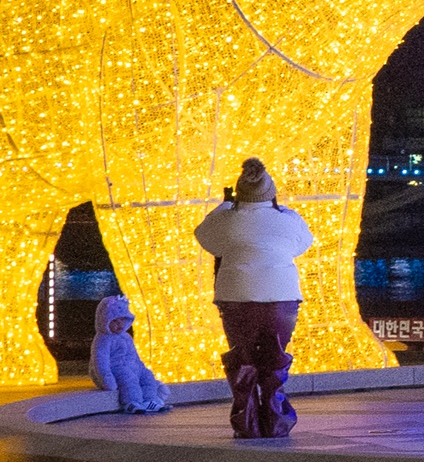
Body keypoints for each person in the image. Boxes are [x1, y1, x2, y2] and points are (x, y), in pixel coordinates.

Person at [191, 158, 316, 440]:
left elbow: (205, 238)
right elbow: (303, 244)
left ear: (238, 193)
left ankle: (247, 424)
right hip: (282, 297)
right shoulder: (288, 218)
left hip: (236, 297)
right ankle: (276, 421)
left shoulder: (226, 219)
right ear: (271, 193)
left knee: (243, 360)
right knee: (275, 360)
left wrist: (224, 206)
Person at [87, 282, 172, 415]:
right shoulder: (104, 339)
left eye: (122, 320)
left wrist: (142, 368)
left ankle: (150, 401)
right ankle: (132, 402)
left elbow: (134, 356)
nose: (119, 324)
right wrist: (106, 378)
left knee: (148, 378)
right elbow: (100, 360)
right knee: (129, 380)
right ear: (105, 321)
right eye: (115, 321)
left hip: (133, 366)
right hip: (117, 368)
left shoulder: (126, 337)